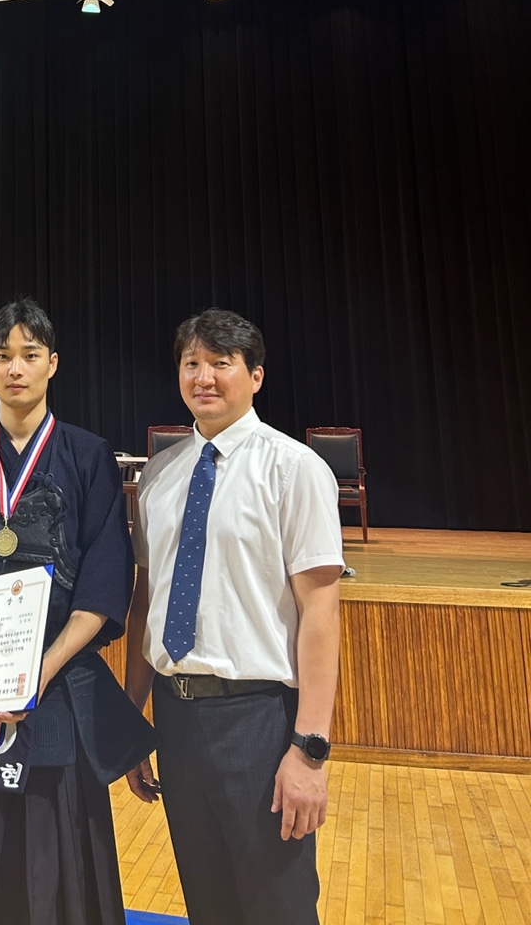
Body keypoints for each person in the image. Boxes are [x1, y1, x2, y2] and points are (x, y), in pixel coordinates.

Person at [0, 297, 155, 925]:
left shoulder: (88, 456)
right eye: (3, 356)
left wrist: (35, 674)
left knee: (59, 865)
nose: (15, 368)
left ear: (53, 363)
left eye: (29, 355)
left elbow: (104, 583)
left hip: (57, 689)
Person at [124, 308, 344, 925]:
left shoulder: (294, 468)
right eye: (191, 363)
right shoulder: (158, 475)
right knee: (208, 904)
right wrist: (132, 720)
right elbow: (146, 603)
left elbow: (321, 612)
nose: (204, 377)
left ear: (255, 375)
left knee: (278, 907)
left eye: (221, 363)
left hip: (258, 721)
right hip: (175, 719)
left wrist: (309, 750)